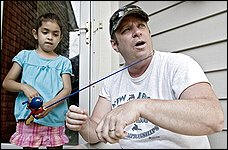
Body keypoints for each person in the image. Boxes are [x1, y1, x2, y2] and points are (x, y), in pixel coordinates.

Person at [66, 5, 224, 149]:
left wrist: (139, 106)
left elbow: (214, 119)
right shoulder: (111, 81)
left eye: (141, 26)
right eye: (126, 29)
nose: (137, 32)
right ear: (115, 45)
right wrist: (84, 125)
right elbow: (96, 133)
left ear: (149, 32)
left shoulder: (178, 64)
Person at [2, 13, 72, 149]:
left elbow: (67, 89)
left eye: (55, 34)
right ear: (35, 33)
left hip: (54, 119)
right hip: (29, 118)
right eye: (45, 32)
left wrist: (50, 105)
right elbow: (7, 82)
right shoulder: (24, 56)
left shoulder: (63, 62)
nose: (50, 37)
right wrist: (24, 87)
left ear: (60, 38)